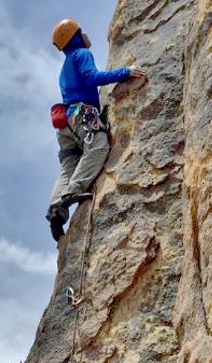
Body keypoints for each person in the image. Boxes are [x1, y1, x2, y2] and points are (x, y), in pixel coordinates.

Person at [46, 18, 147, 241]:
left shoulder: (65, 67)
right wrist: (126, 71)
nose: (86, 34)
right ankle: (73, 191)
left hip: (66, 122)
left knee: (69, 165)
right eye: (81, 31)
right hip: (82, 113)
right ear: (74, 36)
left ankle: (56, 208)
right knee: (98, 147)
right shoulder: (81, 54)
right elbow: (93, 78)